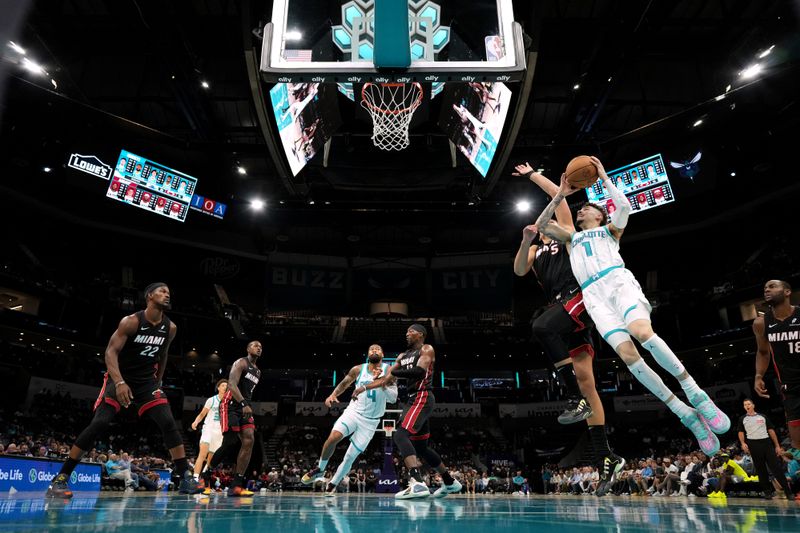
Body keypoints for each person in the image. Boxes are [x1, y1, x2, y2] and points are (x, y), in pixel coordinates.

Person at [534, 157, 729, 457]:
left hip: (617, 283)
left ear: (599, 217)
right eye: (581, 207)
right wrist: (560, 192)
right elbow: (543, 224)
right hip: (594, 296)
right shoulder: (572, 238)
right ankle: (684, 413)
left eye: (588, 208)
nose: (582, 209)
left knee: (642, 332)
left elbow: (623, 208)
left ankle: (695, 393)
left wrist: (605, 178)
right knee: (628, 356)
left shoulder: (611, 232)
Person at [513, 163, 619, 489]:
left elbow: (557, 199)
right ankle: (606, 457)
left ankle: (573, 397)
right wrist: (525, 240)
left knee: (541, 326)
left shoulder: (567, 232)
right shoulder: (536, 248)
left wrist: (536, 177)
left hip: (578, 298)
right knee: (587, 381)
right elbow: (519, 270)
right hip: (566, 312)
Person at [46, 282, 200, 498]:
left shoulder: (171, 328)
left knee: (167, 421)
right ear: (149, 295)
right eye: (162, 291)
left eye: (169, 292)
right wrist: (119, 383)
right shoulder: (131, 322)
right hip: (120, 378)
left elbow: (163, 355)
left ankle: (185, 477)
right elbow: (110, 352)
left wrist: (158, 382)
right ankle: (60, 479)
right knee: (99, 423)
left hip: (147, 383)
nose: (167, 295)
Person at [355, 325, 462, 499]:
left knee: (400, 435)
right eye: (406, 332)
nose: (407, 334)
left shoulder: (427, 349)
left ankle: (418, 483)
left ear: (421, 334)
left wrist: (393, 371)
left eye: (410, 331)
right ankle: (450, 482)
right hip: (412, 399)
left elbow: (419, 372)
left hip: (422, 396)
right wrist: (364, 387)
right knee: (422, 448)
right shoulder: (402, 356)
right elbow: (387, 380)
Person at [301, 344, 398, 497]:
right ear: (367, 354)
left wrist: (381, 382)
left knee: (350, 457)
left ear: (383, 354)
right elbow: (345, 383)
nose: (374, 351)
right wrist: (333, 394)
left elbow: (392, 399)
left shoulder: (390, 371)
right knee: (333, 437)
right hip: (353, 412)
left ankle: (332, 484)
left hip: (371, 421)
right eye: (371, 349)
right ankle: (320, 469)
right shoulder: (358, 369)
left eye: (377, 349)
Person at [204, 341, 262, 496]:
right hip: (230, 405)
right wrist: (243, 403)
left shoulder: (257, 371)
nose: (259, 348)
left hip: (245, 406)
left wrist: (246, 404)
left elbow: (248, 391)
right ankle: (207, 473)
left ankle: (236, 485)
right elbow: (231, 384)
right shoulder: (241, 362)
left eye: (261, 347)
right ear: (248, 349)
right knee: (230, 442)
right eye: (255, 346)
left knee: (249, 440)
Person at [753, 280, 800, 454]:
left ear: (787, 292)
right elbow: (763, 352)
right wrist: (759, 375)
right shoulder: (761, 323)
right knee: (797, 443)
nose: (767, 289)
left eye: (772, 286)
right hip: (790, 387)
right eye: (765, 287)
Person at [737, 398, 794, 499]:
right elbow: (740, 432)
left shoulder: (762, 416)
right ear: (744, 407)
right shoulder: (742, 419)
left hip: (766, 443)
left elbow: (771, 430)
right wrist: (742, 443)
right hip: (753, 444)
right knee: (761, 469)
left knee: (776, 468)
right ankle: (767, 492)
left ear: (753, 405)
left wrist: (777, 445)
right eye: (745, 405)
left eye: (749, 404)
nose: (747, 406)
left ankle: (788, 492)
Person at [190, 379, 228, 488]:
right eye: (223, 385)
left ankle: (204, 477)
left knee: (211, 459)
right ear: (218, 387)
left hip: (220, 432)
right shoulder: (211, 400)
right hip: (209, 428)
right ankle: (195, 478)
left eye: (227, 385)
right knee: (202, 453)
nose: (225, 387)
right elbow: (202, 414)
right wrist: (196, 421)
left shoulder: (229, 402)